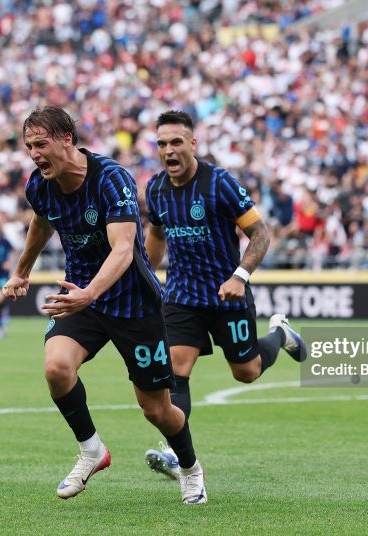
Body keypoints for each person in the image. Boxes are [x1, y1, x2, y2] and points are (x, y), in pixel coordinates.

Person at [2, 106, 207, 504]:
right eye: (28, 146)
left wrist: (88, 293)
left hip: (133, 303)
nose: (33, 153)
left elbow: (123, 250)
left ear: (66, 140)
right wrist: (22, 270)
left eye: (40, 144)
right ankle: (92, 451)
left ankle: (190, 468)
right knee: (56, 368)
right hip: (84, 299)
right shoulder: (39, 186)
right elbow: (42, 220)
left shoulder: (111, 179)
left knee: (156, 410)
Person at [142, 110, 307, 480]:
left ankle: (279, 334)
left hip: (226, 296)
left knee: (245, 372)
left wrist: (240, 275)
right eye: (162, 144)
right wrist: (145, 275)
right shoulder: (155, 188)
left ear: (193, 144)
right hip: (182, 296)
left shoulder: (219, 183)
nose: (168, 150)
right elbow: (155, 235)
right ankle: (174, 453)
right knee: (175, 373)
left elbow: (261, 233)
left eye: (176, 142)